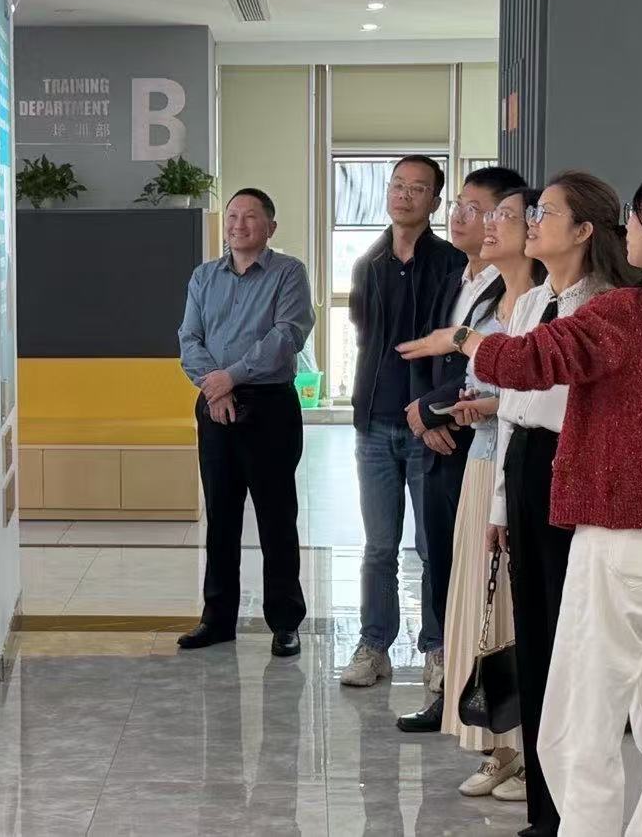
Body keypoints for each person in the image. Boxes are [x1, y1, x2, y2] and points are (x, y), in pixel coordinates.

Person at [399, 161, 642, 837]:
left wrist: (462, 339)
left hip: (620, 548)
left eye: (636, 215)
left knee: (577, 732)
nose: (629, 229)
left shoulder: (627, 311)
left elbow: (526, 361)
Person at [483, 173, 639, 832]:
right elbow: (510, 411)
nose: (531, 222)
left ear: (583, 230)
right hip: (525, 465)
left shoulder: (607, 308)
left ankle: (580, 811)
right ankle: (544, 812)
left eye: (544, 212)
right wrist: (498, 507)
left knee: (577, 643)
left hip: (574, 469)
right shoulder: (529, 301)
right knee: (537, 640)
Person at [432, 187, 544, 798]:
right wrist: (473, 404)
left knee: (512, 608)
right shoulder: (490, 301)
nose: (490, 224)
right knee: (478, 600)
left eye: (505, 216)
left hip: (516, 465)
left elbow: (538, 397)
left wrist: (490, 405)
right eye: (489, 214)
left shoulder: (543, 305)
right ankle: (497, 745)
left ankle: (527, 752)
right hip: (482, 463)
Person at [395, 167, 515, 731]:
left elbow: (486, 367)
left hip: (478, 441)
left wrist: (434, 410)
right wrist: (423, 417)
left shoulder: (512, 288)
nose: (462, 216)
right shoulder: (455, 277)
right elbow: (426, 351)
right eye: (460, 205)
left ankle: (476, 693)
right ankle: (449, 685)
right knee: (439, 563)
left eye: (477, 208)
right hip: (439, 439)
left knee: (474, 575)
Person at [341, 156, 466, 687]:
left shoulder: (452, 265)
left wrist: (430, 410)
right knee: (378, 546)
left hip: (426, 426)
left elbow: (448, 352)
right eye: (397, 186)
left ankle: (438, 648)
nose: (404, 195)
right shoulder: (368, 263)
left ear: (434, 201)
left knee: (432, 545)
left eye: (417, 189)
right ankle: (374, 647)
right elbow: (365, 333)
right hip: (374, 423)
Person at [177, 188, 315, 658]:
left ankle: (285, 622)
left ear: (270, 227)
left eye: (250, 216)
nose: (238, 224)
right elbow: (189, 337)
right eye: (232, 215)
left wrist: (230, 377)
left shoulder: (288, 273)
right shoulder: (203, 276)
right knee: (221, 515)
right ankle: (217, 619)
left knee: (277, 517)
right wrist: (214, 387)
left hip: (269, 406)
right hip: (214, 404)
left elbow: (287, 336)